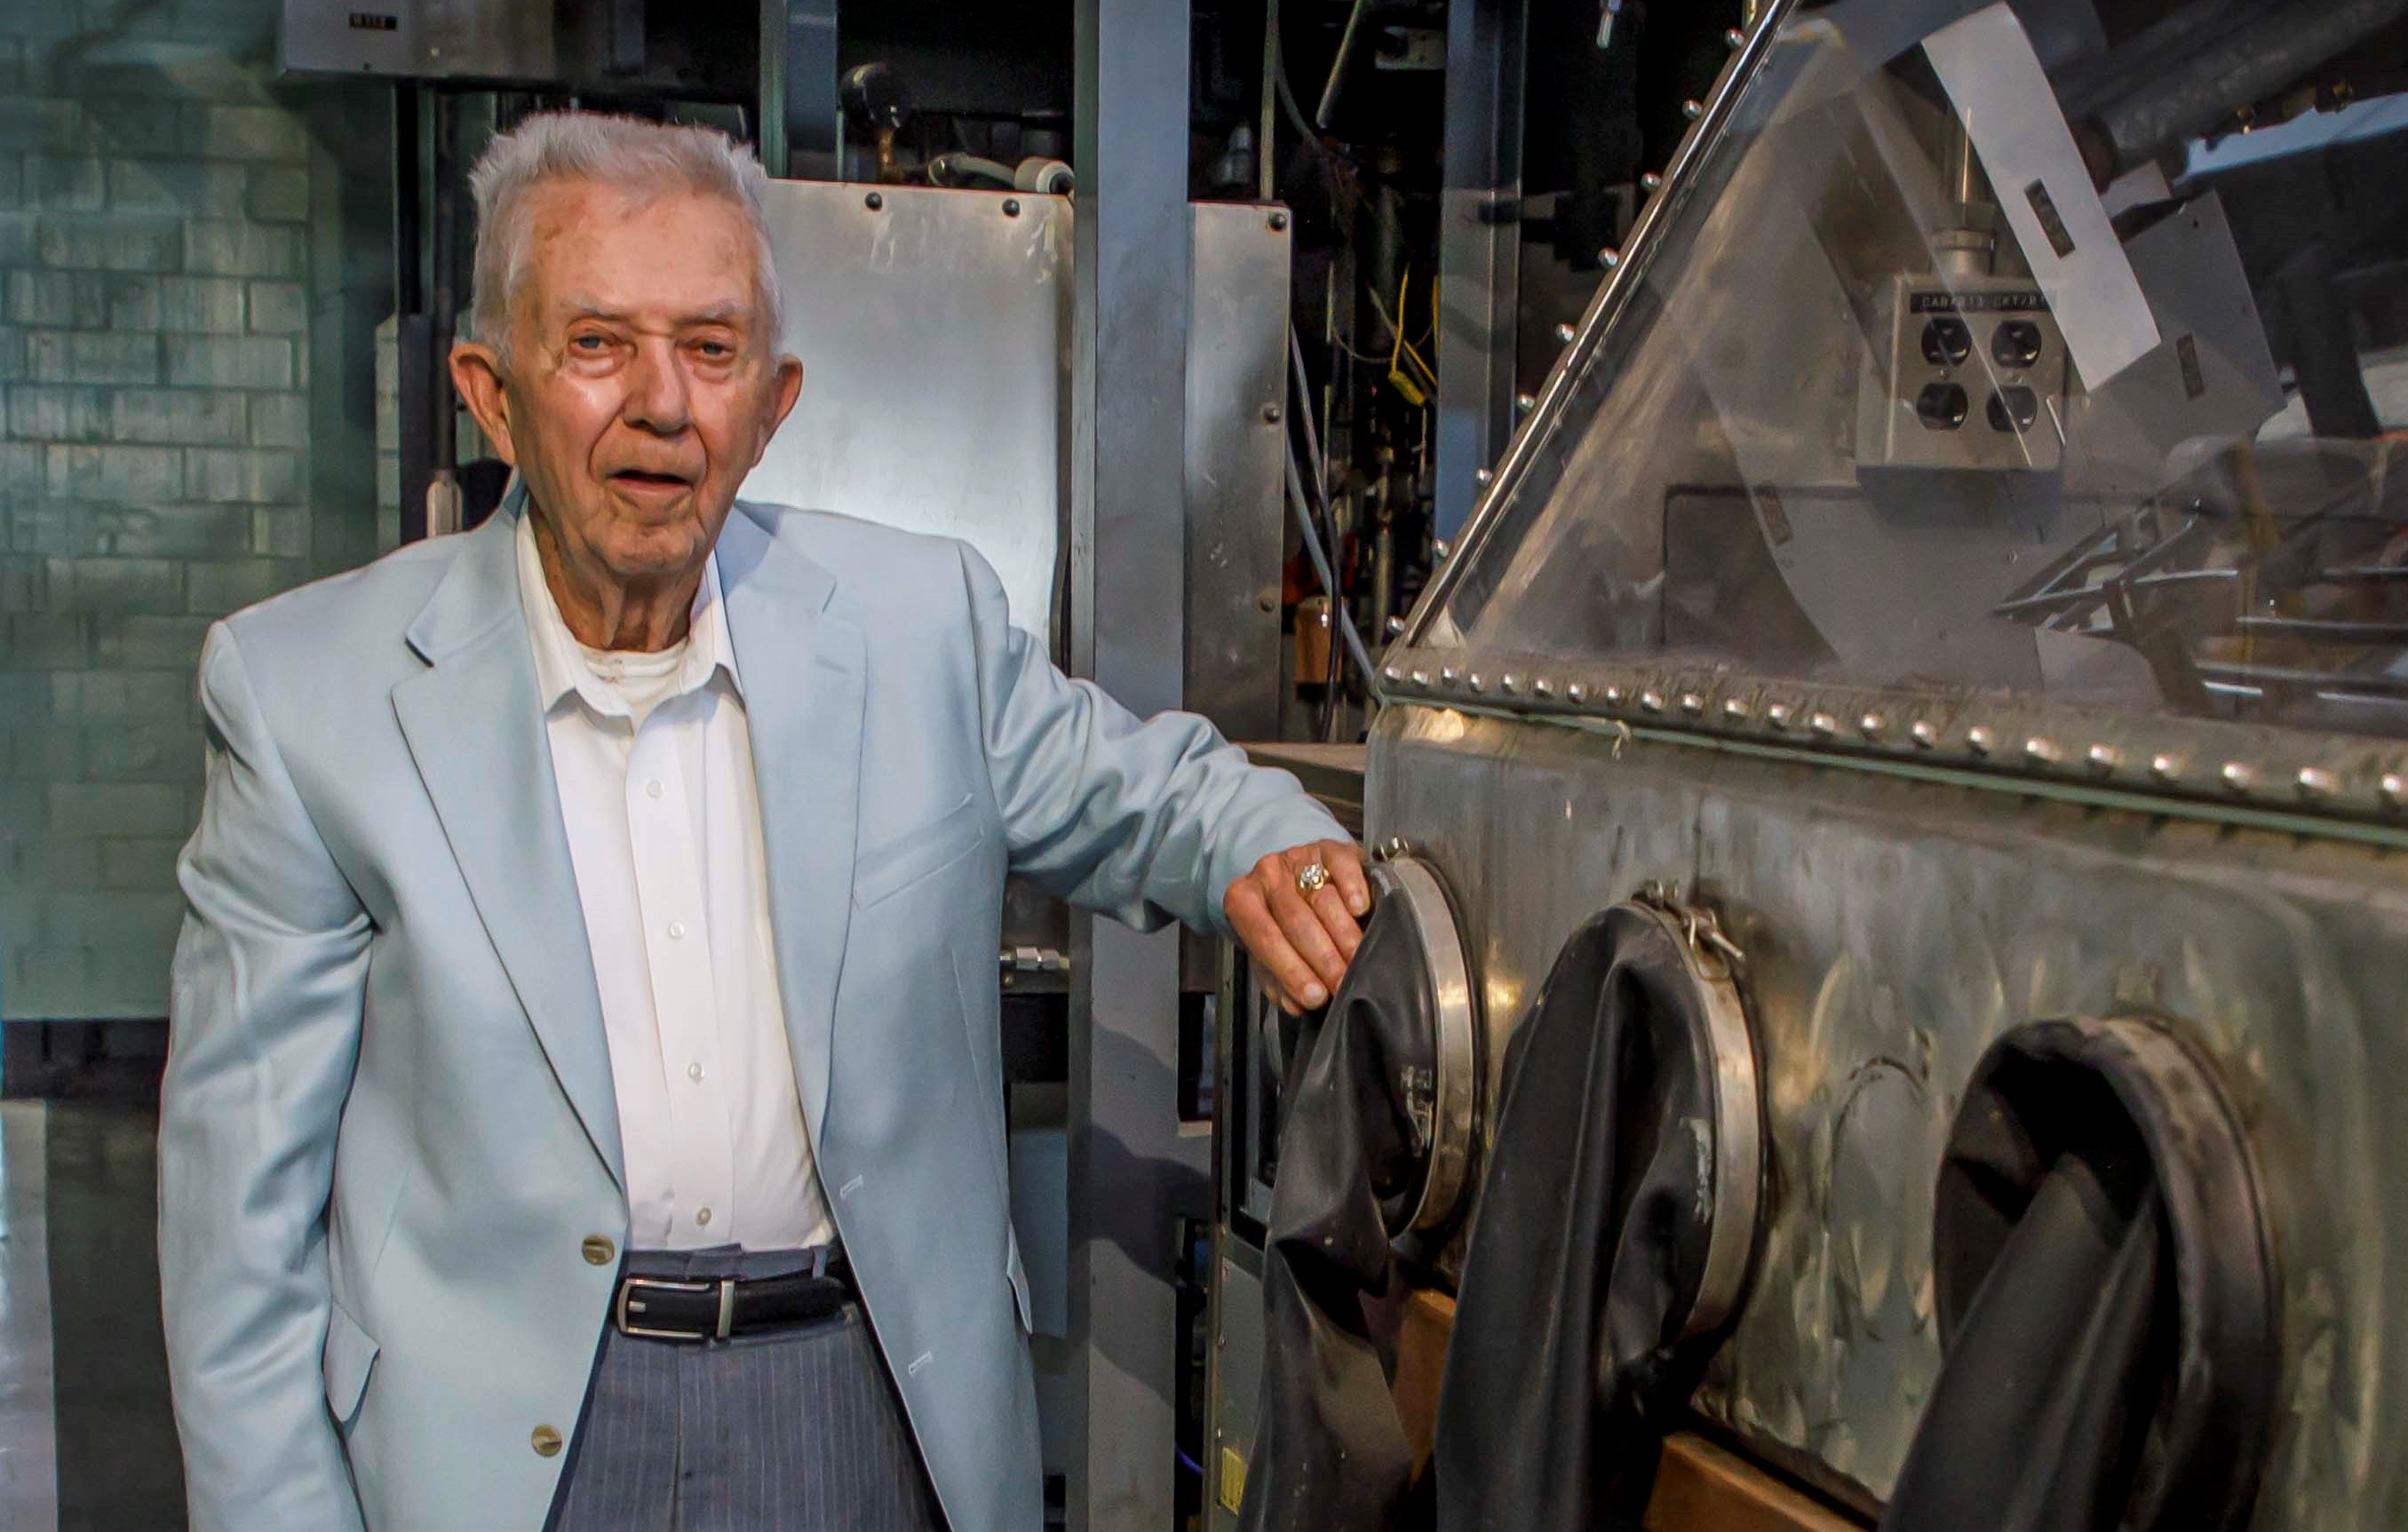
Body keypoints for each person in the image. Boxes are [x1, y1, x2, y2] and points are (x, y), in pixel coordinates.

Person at [157, 111, 1366, 1532]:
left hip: (856, 1405)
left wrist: (1265, 839)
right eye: (598, 344)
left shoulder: (921, 627)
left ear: (775, 399)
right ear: (492, 394)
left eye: (712, 348)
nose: (664, 403)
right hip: (510, 1447)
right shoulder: (311, 700)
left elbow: (1142, 790)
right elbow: (239, 1246)